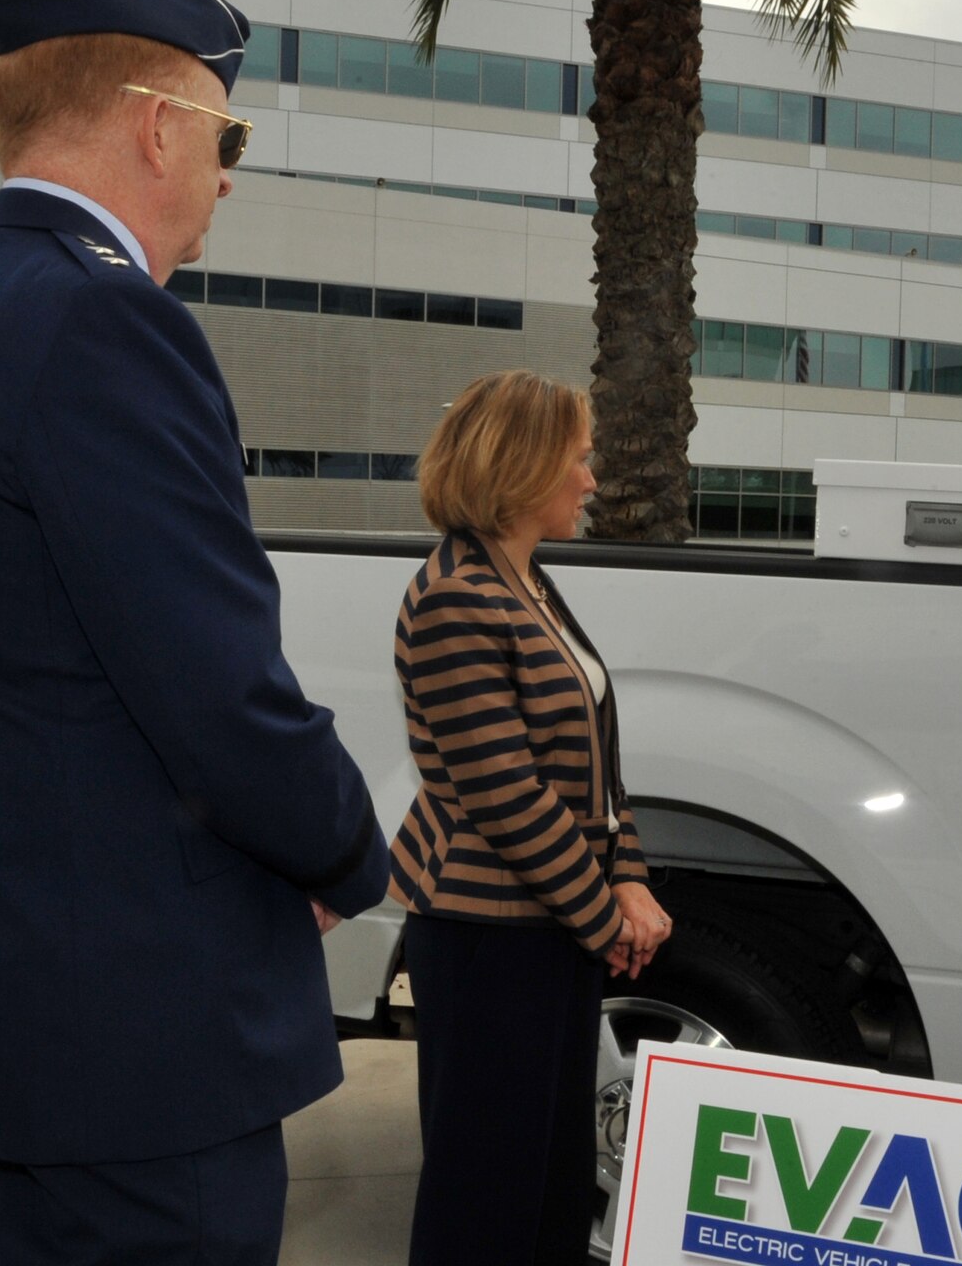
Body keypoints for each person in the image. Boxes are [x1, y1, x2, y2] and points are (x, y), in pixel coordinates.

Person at [0, 0, 391, 1260]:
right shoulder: (105, 325)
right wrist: (341, 854)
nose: (226, 176)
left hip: (16, 1018)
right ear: (160, 128)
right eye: (230, 134)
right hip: (136, 1045)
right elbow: (217, 692)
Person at [389, 370, 672, 1266]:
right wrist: (605, 920)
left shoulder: (525, 581)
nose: (591, 479)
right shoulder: (454, 597)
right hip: (487, 941)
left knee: (550, 1184)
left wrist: (628, 876)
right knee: (485, 1198)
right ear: (519, 466)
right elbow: (505, 791)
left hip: (546, 928)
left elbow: (595, 759)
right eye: (578, 459)